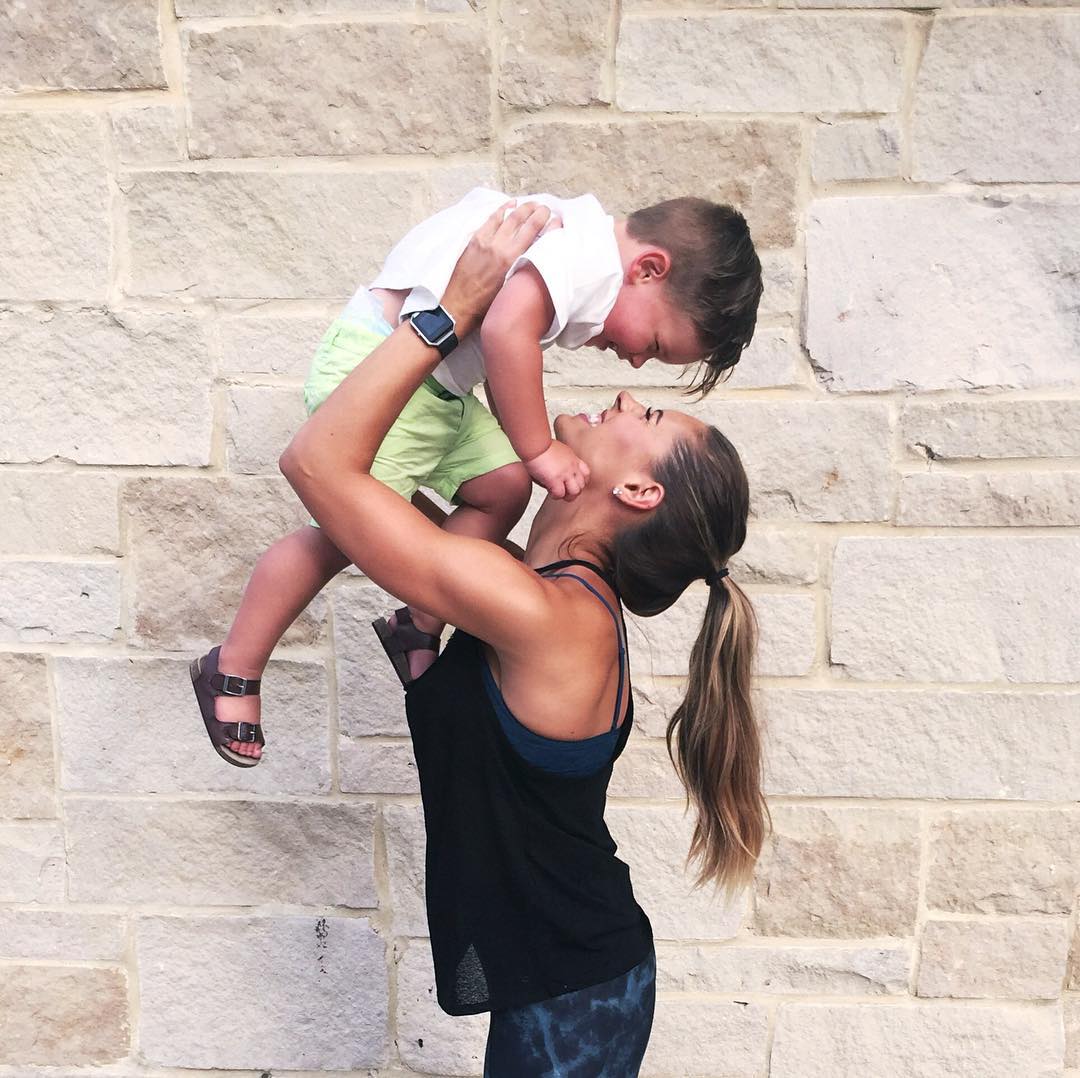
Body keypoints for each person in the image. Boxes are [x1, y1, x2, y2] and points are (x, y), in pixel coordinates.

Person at [274, 203, 768, 1075]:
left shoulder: (544, 617)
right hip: (570, 983)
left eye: (648, 417)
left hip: (577, 998)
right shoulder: (530, 593)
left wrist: (448, 314)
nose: (625, 395)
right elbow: (363, 490)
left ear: (639, 494)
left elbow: (317, 463)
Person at [189, 187, 762, 766]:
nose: (633, 371)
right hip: (379, 351)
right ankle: (235, 664)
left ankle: (417, 621)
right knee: (336, 539)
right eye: (655, 346)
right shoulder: (582, 256)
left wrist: (523, 456)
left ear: (638, 492)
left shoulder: (546, 610)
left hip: (438, 389)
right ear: (648, 269)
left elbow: (499, 338)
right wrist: (538, 449)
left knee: (504, 486)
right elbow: (506, 331)